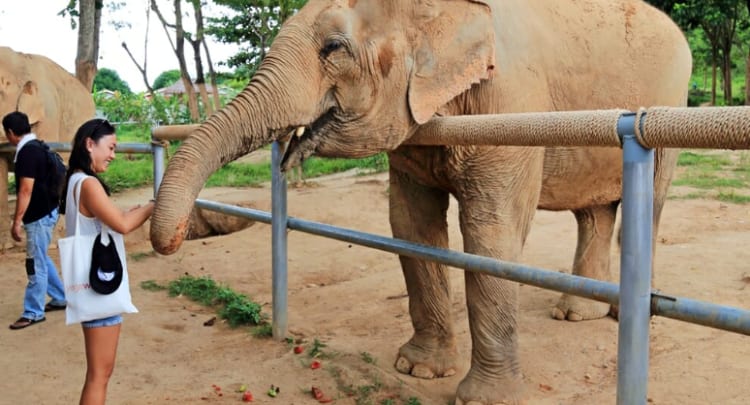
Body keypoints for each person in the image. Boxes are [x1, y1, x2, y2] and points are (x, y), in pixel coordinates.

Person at [61, 118, 154, 405]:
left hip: (92, 286)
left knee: (100, 372)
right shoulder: (87, 183)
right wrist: (153, 205)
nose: (113, 154)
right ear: (90, 144)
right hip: (97, 288)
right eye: (110, 147)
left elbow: (110, 220)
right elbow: (123, 225)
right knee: (99, 374)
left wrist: (130, 213)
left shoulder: (76, 180)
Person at [2, 111, 68, 330]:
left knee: (34, 263)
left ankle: (33, 311)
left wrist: (16, 221)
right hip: (47, 211)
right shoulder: (39, 146)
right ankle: (60, 297)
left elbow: (25, 190)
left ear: (10, 132)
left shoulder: (27, 153)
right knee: (41, 258)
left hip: (38, 216)